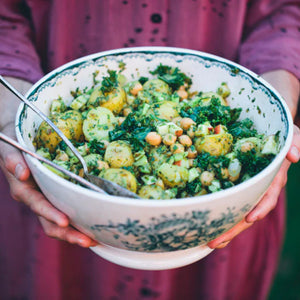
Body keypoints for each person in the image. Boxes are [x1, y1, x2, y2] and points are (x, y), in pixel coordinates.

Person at [0, 0, 299, 299]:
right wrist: (8, 118)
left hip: (225, 220)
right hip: (62, 214)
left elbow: (284, 13)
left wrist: (279, 107)